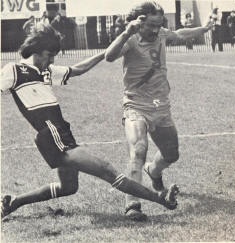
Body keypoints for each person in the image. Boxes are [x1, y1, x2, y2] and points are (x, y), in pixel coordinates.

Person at [0, 23, 179, 220]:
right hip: (54, 137)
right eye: (48, 55)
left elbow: (77, 69)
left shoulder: (45, 71)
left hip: (60, 134)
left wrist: (105, 53)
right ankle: (161, 199)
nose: (51, 60)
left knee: (68, 187)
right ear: (35, 50)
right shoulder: (14, 70)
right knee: (108, 171)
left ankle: (13, 202)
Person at [105, 1, 213, 221]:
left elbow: (180, 34)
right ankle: (132, 204)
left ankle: (153, 172)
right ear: (139, 22)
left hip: (160, 106)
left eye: (159, 24)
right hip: (135, 105)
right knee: (138, 149)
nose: (156, 29)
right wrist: (127, 32)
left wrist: (204, 28)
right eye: (151, 25)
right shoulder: (131, 40)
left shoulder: (161, 34)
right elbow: (109, 55)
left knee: (171, 154)